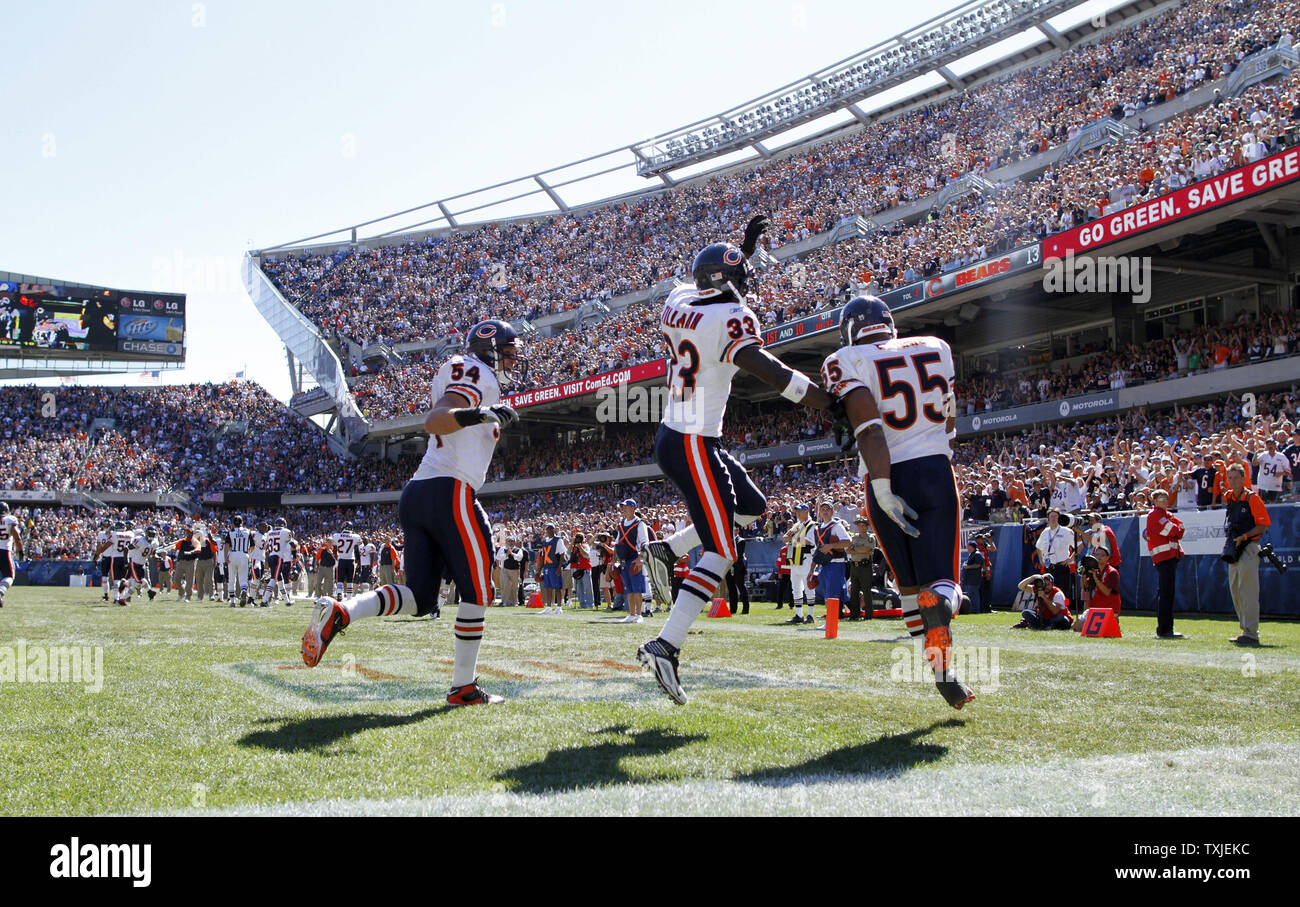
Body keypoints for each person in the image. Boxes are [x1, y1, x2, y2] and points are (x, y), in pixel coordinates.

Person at [635, 216, 843, 704]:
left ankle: (668, 549)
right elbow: (771, 371)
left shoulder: (678, 300)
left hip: (687, 433)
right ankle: (666, 644)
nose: (747, 289)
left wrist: (742, 248)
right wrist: (827, 403)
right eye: (742, 280)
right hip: (692, 442)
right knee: (722, 550)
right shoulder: (728, 320)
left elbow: (708, 280)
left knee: (752, 505)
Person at [301, 318, 524, 706]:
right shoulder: (477, 372)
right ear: (490, 349)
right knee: (476, 591)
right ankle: (463, 688)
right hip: (449, 490)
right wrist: (483, 414)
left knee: (421, 598)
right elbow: (436, 420)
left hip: (421, 492)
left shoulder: (466, 371)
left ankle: (342, 612)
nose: (513, 358)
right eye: (508, 350)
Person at [822, 295, 974, 708]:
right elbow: (950, 418)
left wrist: (884, 486)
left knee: (910, 589)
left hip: (882, 475)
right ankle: (942, 619)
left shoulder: (845, 359)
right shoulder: (936, 347)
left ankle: (944, 675)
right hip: (934, 469)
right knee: (942, 584)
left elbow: (870, 429)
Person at [1223, 464, 1270, 646]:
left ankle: (1251, 633)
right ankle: (1245, 630)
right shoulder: (1229, 497)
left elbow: (1263, 524)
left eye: (1236, 477)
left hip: (1249, 546)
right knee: (1235, 590)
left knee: (1248, 591)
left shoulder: (1252, 498)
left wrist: (1245, 536)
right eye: (1230, 477)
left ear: (1243, 479)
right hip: (1234, 547)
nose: (1232, 481)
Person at [1145, 489, 1185, 638]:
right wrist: (1176, 529)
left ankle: (1167, 628)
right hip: (1164, 558)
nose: (1164, 501)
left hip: (1170, 557)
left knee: (1168, 593)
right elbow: (1173, 530)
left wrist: (1177, 529)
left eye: (1166, 499)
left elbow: (1180, 529)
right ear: (1154, 501)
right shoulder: (1155, 515)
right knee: (1166, 594)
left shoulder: (1166, 515)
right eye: (1161, 499)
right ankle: (1164, 629)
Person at [613, 501, 649, 623]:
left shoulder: (640, 523)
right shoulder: (621, 523)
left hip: (634, 559)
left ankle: (639, 615)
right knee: (628, 589)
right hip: (624, 559)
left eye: (627, 507)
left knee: (637, 588)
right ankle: (632, 614)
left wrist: (640, 559)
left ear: (633, 508)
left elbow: (644, 542)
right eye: (623, 507)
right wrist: (614, 560)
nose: (624, 509)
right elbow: (618, 542)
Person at [1034, 508, 1076, 600]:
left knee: (1062, 594)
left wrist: (1070, 559)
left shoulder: (1066, 531)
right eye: (1051, 516)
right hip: (1049, 568)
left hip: (1061, 567)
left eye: (1056, 516)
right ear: (1048, 519)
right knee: (1048, 593)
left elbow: (1078, 546)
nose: (1053, 518)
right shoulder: (1045, 532)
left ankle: (1063, 613)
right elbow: (1038, 546)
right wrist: (1041, 560)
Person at [845, 518, 875, 620]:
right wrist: (859, 549)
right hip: (854, 566)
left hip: (865, 566)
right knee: (854, 591)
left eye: (863, 525)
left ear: (867, 527)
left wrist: (855, 549)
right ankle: (854, 614)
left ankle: (868, 615)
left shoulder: (870, 538)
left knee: (866, 591)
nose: (861, 527)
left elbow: (866, 549)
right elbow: (848, 551)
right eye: (860, 525)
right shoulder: (854, 537)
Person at [0, 501, 23, 607]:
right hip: (4, 551)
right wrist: (21, 552)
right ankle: (0, 591)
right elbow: (17, 538)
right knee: (9, 576)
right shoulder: (10, 520)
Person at [725, 537, 750, 615]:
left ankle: (745, 608)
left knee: (741, 587)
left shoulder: (741, 540)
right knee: (731, 589)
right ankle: (733, 609)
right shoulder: (726, 539)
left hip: (738, 567)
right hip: (728, 567)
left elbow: (738, 555)